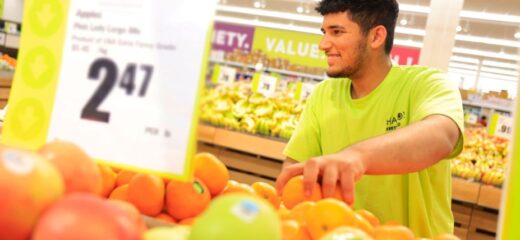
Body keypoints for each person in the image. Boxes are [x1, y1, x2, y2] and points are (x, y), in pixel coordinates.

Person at [275, 0, 464, 237]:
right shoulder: (323, 96)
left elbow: (442, 136)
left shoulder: (426, 84)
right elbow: (296, 171)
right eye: (324, 33)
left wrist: (357, 157)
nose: (323, 44)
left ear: (376, 37)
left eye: (337, 32)